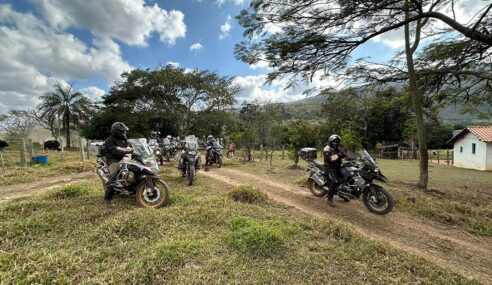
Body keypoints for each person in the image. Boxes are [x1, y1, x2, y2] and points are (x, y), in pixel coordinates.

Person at [102, 122, 133, 204]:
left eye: (124, 131)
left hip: (124, 158)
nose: (124, 133)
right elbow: (114, 151)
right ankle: (107, 199)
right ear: (116, 131)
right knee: (114, 176)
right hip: (113, 160)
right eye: (122, 131)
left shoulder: (124, 140)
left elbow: (131, 147)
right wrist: (126, 152)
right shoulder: (109, 140)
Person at [323, 134, 348, 207]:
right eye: (334, 141)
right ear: (330, 142)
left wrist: (348, 156)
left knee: (344, 178)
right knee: (334, 182)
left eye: (337, 141)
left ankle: (343, 194)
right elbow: (329, 159)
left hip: (338, 166)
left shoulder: (338, 148)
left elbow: (342, 155)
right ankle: (329, 199)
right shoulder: (327, 148)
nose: (335, 143)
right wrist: (339, 155)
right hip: (329, 167)